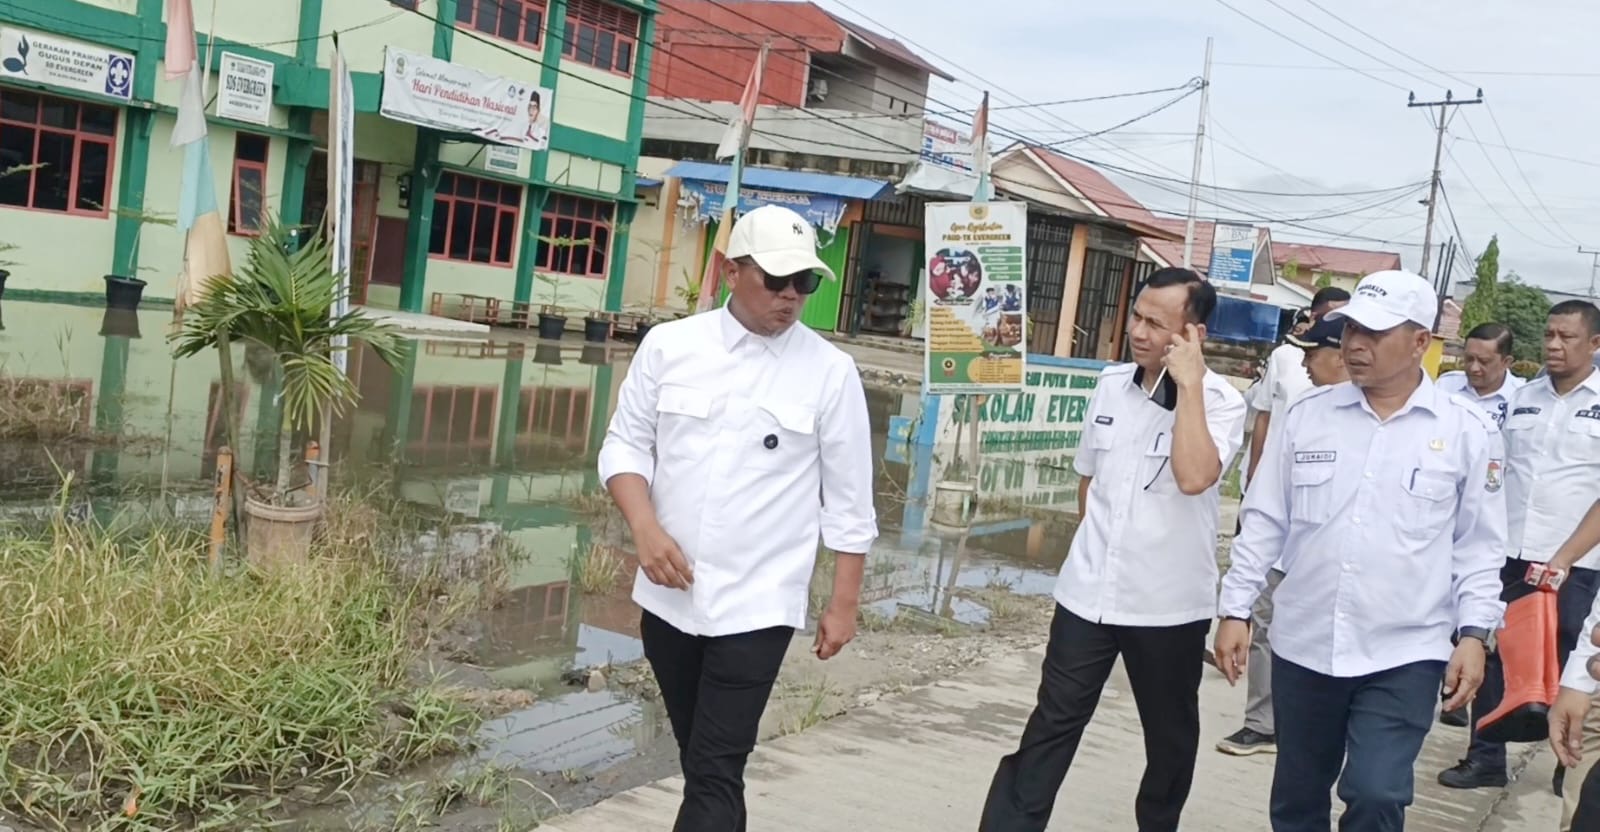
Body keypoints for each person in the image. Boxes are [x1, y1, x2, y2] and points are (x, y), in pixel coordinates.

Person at [596, 204, 877, 831]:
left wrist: (843, 605)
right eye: (776, 280)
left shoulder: (830, 374)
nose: (790, 296)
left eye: (804, 282)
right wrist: (644, 527)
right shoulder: (671, 347)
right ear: (729, 271)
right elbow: (625, 446)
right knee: (705, 763)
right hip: (670, 600)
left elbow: (850, 502)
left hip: (758, 605)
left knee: (716, 765)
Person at [1215, 269, 1508, 832]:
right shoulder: (1308, 416)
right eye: (1351, 330)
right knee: (1298, 797)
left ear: (1419, 342)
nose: (1355, 344)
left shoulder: (1467, 430)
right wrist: (1235, 609)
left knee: (1377, 792)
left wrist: (1474, 635)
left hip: (1405, 650)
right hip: (1306, 643)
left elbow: (1478, 547)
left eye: (1374, 333)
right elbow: (1265, 520)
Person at [979, 267, 1247, 832]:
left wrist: (1189, 387)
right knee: (1051, 725)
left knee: (1169, 739)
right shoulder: (1110, 385)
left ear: (1193, 333)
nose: (1139, 332)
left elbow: (1195, 476)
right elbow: (1089, 480)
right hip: (1088, 597)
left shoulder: (1222, 403)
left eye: (1157, 323)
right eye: (1137, 317)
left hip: (1166, 606)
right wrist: (1097, 551)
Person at [1439, 304, 1600, 798]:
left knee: (1572, 662)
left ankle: (1568, 760)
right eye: (1549, 335)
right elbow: (1497, 472)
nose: (1553, 345)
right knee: (1491, 651)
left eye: (1567, 337)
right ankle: (1485, 756)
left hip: (1578, 561)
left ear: (1594, 344)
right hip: (1511, 551)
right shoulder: (1523, 398)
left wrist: (1564, 558)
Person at [1215, 287, 1350, 757]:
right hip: (1281, 535)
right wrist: (1254, 483)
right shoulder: (1300, 404)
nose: (1305, 362)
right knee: (1264, 624)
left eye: (1314, 353)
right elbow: (1264, 421)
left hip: (1327, 563)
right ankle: (1262, 723)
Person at [1436, 322, 1523, 429]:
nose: (1474, 368)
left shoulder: (1521, 398)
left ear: (1506, 362)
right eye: (1469, 359)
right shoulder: (1446, 385)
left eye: (1484, 361)